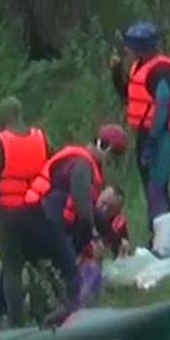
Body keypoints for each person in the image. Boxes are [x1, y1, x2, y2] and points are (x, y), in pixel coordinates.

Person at [16, 125, 129, 326]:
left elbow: (92, 212)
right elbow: (83, 211)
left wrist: (115, 240)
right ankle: (66, 320)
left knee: (41, 272)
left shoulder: (77, 161)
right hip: (44, 222)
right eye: (113, 159)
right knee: (71, 276)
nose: (110, 165)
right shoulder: (82, 166)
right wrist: (90, 242)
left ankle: (33, 316)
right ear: (108, 150)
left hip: (33, 219)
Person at [0, 97, 50, 329]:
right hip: (37, 210)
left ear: (2, 117)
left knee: (13, 268)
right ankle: (41, 314)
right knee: (39, 264)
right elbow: (55, 166)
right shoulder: (41, 138)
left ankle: (16, 323)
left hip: (9, 214)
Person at [108, 20, 170, 229]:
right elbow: (128, 95)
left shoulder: (162, 71)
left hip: (162, 135)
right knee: (149, 184)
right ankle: (160, 229)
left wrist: (152, 141)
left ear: (141, 48)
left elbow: (163, 107)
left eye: (130, 48)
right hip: (144, 134)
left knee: (156, 186)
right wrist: (115, 73)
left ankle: (162, 233)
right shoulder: (138, 67)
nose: (127, 52)